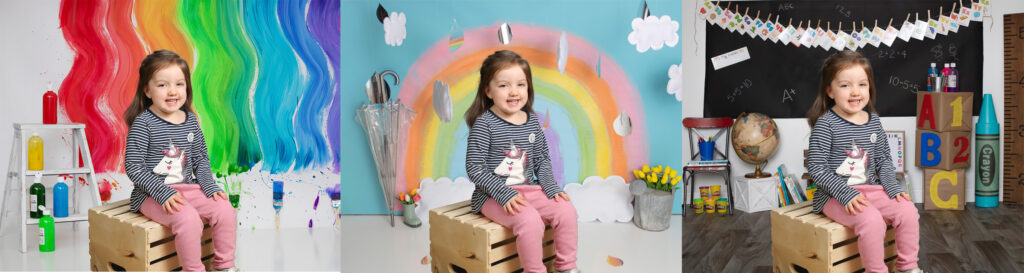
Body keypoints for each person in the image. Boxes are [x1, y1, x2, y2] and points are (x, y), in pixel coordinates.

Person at [464, 50, 580, 273]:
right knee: (529, 221)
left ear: (528, 87)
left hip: (528, 189)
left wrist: (551, 187)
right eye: (504, 85)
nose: (514, 92)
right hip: (492, 195)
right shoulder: (484, 124)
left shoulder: (532, 121)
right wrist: (504, 193)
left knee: (566, 210)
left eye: (521, 84)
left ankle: (566, 267)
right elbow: (475, 168)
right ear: (488, 91)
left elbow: (542, 160)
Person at [806, 50, 922, 273]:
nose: (855, 92)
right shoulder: (826, 124)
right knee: (871, 221)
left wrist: (892, 188)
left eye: (862, 84)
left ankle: (907, 267)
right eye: (845, 85)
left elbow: (884, 161)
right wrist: (846, 193)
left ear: (870, 88)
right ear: (829, 91)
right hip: (834, 195)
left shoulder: (874, 122)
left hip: (870, 189)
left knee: (907, 210)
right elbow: (817, 169)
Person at [123, 50, 238, 272]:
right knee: (188, 219)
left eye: (179, 84)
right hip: (151, 194)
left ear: (187, 87)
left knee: (224, 209)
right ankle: (193, 270)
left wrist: (209, 185)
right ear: (147, 90)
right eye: (163, 85)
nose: (172, 91)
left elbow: (201, 159)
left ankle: (224, 266)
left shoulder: (190, 120)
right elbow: (134, 167)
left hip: (188, 187)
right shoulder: (143, 124)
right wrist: (162, 192)